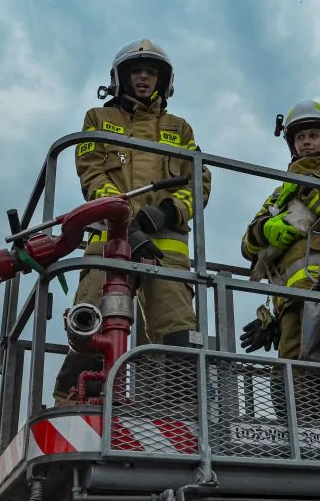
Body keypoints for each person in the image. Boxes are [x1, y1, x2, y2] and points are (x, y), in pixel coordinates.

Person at [52, 38, 212, 406]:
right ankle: (76, 403)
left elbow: (199, 181)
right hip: (110, 240)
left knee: (176, 331)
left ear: (163, 80)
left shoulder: (180, 128)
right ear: (120, 77)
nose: (143, 78)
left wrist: (167, 212)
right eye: (136, 71)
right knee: (91, 320)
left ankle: (181, 412)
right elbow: (91, 174)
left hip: (164, 248)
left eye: (151, 72)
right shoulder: (98, 119)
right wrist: (122, 213)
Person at [238, 98, 320, 360]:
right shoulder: (279, 193)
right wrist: (265, 230)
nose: (306, 142)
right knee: (286, 380)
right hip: (288, 301)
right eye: (300, 137)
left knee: (319, 375)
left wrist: (311, 192)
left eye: (313, 135)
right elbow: (246, 246)